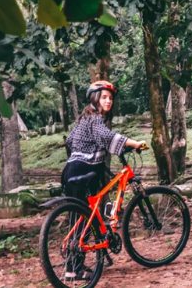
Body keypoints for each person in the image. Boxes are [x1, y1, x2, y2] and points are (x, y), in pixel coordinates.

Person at [61, 80, 146, 281]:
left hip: (71, 170)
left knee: (80, 218)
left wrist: (85, 150)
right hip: (84, 168)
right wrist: (134, 143)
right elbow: (106, 137)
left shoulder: (84, 118)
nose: (108, 101)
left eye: (110, 98)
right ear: (95, 98)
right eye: (104, 97)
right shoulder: (95, 118)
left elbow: (70, 140)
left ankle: (74, 266)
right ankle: (74, 269)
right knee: (83, 218)